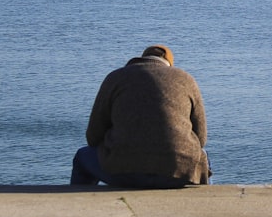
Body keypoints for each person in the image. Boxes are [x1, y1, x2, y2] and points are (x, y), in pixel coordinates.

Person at [70, 45, 211, 188]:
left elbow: (93, 136)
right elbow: (201, 138)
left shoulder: (115, 78)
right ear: (169, 65)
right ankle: (209, 201)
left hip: (122, 172)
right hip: (178, 172)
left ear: (140, 60)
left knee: (82, 157)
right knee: (202, 156)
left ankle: (80, 203)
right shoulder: (186, 80)